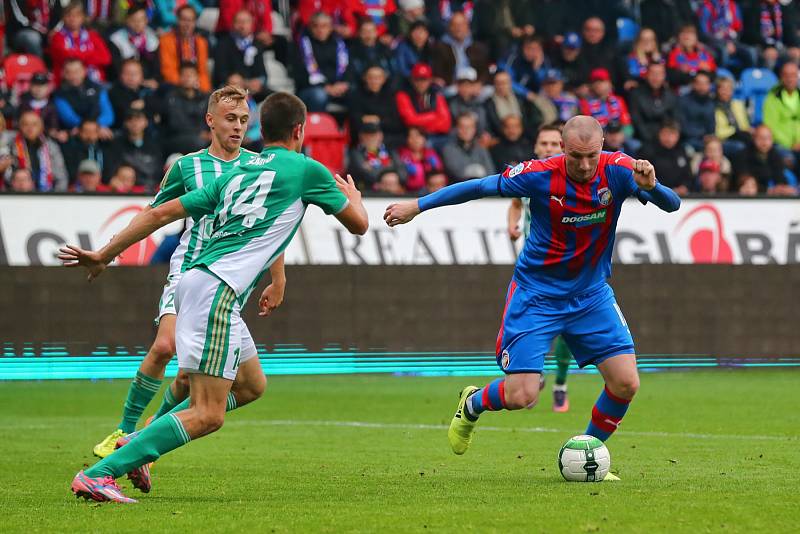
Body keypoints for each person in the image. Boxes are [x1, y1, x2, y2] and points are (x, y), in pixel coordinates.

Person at [64, 91, 369, 503]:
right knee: (208, 413)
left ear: (260, 127)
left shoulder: (235, 174)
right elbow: (359, 226)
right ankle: (102, 472)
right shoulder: (307, 170)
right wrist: (354, 199)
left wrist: (105, 254)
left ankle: (137, 444)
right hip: (216, 292)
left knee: (250, 385)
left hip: (202, 284)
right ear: (300, 131)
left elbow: (158, 214)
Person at [383, 116, 680, 470]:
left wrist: (653, 186)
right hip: (537, 295)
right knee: (523, 395)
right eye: (575, 156)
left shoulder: (619, 169)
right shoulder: (538, 174)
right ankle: (473, 404)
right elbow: (478, 187)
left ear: (603, 147)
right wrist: (417, 206)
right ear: (562, 148)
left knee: (626, 383)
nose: (585, 166)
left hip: (591, 296)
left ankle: (586, 453)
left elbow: (673, 204)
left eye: (592, 156)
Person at [89, 85, 275, 458]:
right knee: (164, 345)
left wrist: (278, 278)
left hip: (230, 282)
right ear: (210, 121)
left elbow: (270, 225)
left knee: (207, 379)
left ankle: (147, 437)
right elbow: (154, 213)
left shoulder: (258, 166)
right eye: (230, 119)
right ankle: (124, 431)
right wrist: (108, 252)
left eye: (243, 120)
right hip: (189, 269)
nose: (238, 127)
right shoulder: (188, 166)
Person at [505, 123, 573, 412]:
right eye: (543, 143)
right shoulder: (529, 175)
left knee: (568, 329)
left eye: (554, 144)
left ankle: (559, 383)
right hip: (534, 268)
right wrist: (512, 223)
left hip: (571, 266)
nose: (548, 148)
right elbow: (516, 204)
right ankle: (533, 376)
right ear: (536, 146)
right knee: (530, 324)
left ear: (564, 147)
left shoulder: (575, 177)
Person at [293, 11, 351, 112]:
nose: (320, 30)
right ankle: (317, 126)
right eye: (316, 26)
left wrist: (344, 83)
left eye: (324, 26)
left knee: (356, 92)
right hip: (310, 89)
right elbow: (299, 76)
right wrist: (326, 87)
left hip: (338, 86)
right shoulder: (300, 46)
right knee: (319, 95)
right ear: (310, 28)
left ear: (331, 28)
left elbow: (349, 68)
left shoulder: (339, 44)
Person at [48, 1, 112, 85]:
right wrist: (91, 55)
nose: (73, 18)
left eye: (77, 15)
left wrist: (77, 55)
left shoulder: (93, 36)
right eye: (69, 15)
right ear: (63, 18)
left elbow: (106, 58)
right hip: (67, 83)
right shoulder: (57, 37)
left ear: (83, 18)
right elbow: (67, 58)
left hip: (96, 82)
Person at [53, 59, 114, 138]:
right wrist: (89, 128)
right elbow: (69, 118)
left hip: (101, 129)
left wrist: (96, 127)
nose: (73, 75)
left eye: (77, 71)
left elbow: (108, 114)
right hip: (77, 132)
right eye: (69, 72)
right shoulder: (59, 94)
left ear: (84, 71)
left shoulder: (97, 88)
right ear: (64, 74)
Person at [8, 110, 68, 191]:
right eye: (26, 124)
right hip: (18, 193)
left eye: (34, 124)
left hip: (48, 194)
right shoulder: (11, 145)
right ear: (20, 127)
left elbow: (61, 176)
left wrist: (56, 197)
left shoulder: (51, 147)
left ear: (41, 127)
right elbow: (7, 175)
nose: (30, 128)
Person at [160, 63, 210, 155]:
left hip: (202, 137)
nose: (187, 78)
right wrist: (200, 133)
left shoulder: (205, 98)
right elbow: (175, 124)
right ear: (179, 77)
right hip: (177, 138)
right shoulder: (171, 98)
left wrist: (210, 134)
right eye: (184, 75)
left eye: (191, 75)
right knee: (199, 143)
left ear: (197, 77)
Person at [159, 5, 211, 93]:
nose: (187, 24)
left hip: (196, 86)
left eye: (191, 20)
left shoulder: (201, 42)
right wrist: (186, 83)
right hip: (174, 87)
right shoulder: (166, 40)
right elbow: (168, 70)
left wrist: (202, 87)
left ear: (195, 22)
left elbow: (203, 72)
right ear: (177, 20)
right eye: (184, 20)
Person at [106, 109, 162, 190]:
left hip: (151, 189)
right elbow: (110, 170)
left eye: (138, 119)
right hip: (125, 189)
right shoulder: (116, 145)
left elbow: (158, 170)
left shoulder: (155, 145)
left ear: (146, 122)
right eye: (130, 120)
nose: (134, 123)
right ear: (125, 123)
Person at [733, 124, 795, 195]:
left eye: (768, 138)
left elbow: (779, 177)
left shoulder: (775, 155)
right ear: (754, 138)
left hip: (767, 195)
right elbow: (743, 179)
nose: (765, 142)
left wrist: (782, 188)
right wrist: (767, 190)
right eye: (761, 138)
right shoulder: (743, 155)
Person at [108, 4, 161, 86]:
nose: (138, 23)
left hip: (149, 82)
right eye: (134, 20)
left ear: (146, 20)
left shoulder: (153, 38)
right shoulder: (116, 40)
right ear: (127, 20)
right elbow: (116, 68)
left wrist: (154, 80)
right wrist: (140, 82)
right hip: (125, 83)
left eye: (141, 20)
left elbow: (157, 66)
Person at [347, 120, 407, 191]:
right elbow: (366, 174)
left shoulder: (390, 151)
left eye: (374, 135)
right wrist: (388, 171)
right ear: (361, 136)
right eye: (368, 135)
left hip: (394, 193)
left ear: (381, 135)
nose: (371, 138)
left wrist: (391, 177)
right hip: (369, 194)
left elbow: (403, 172)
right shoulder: (356, 153)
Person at [628, 62, 678, 146]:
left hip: (666, 139)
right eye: (653, 73)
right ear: (646, 75)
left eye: (659, 74)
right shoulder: (636, 94)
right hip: (643, 140)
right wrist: (652, 139)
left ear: (664, 76)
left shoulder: (670, 95)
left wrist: (668, 137)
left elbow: (675, 120)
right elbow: (637, 121)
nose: (656, 77)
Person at [639, 120, 694, 195]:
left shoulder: (682, 152)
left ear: (678, 136)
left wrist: (684, 187)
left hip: (679, 196)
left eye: (673, 134)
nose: (669, 138)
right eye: (666, 133)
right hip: (653, 194)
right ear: (660, 133)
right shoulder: (647, 151)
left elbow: (688, 176)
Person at [441, 113, 495, 182]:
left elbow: (491, 171)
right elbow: (457, 173)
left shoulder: (480, 147)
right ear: (456, 128)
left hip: (482, 188)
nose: (466, 130)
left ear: (474, 129)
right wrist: (478, 171)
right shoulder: (448, 149)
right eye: (462, 127)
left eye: (470, 127)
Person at [108, 59, 159, 130]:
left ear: (142, 76)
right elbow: (125, 111)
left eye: (135, 73)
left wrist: (145, 103)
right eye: (127, 73)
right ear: (120, 75)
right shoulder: (114, 92)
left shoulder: (148, 90)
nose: (131, 77)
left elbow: (160, 108)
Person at [397, 127, 444, 194]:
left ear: (424, 139)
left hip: (430, 191)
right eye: (411, 136)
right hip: (409, 193)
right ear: (407, 139)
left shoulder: (431, 154)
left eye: (418, 136)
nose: (415, 140)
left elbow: (439, 172)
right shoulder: (401, 154)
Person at [678, 71, 716, 151]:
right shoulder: (682, 101)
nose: (702, 87)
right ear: (693, 84)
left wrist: (710, 136)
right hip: (687, 140)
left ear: (709, 86)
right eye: (699, 83)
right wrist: (702, 136)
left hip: (706, 141)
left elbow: (712, 126)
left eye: (705, 84)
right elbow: (682, 126)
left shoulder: (711, 103)